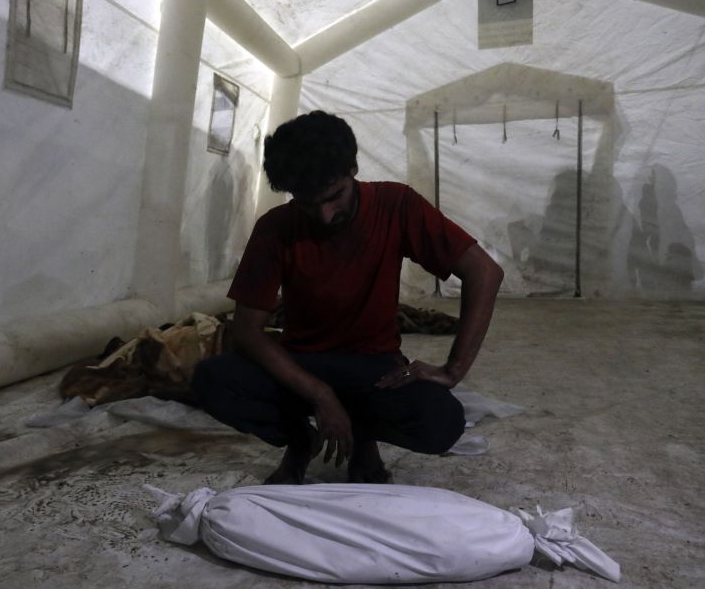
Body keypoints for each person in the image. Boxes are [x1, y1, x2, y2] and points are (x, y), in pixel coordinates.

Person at [192, 110, 503, 484]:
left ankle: (361, 437)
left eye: (334, 197)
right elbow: (247, 331)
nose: (324, 216)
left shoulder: (396, 204)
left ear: (354, 168)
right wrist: (321, 395)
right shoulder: (275, 228)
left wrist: (453, 370)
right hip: (302, 364)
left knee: (441, 422)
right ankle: (300, 441)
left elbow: (484, 271)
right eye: (308, 204)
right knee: (212, 380)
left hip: (375, 368)